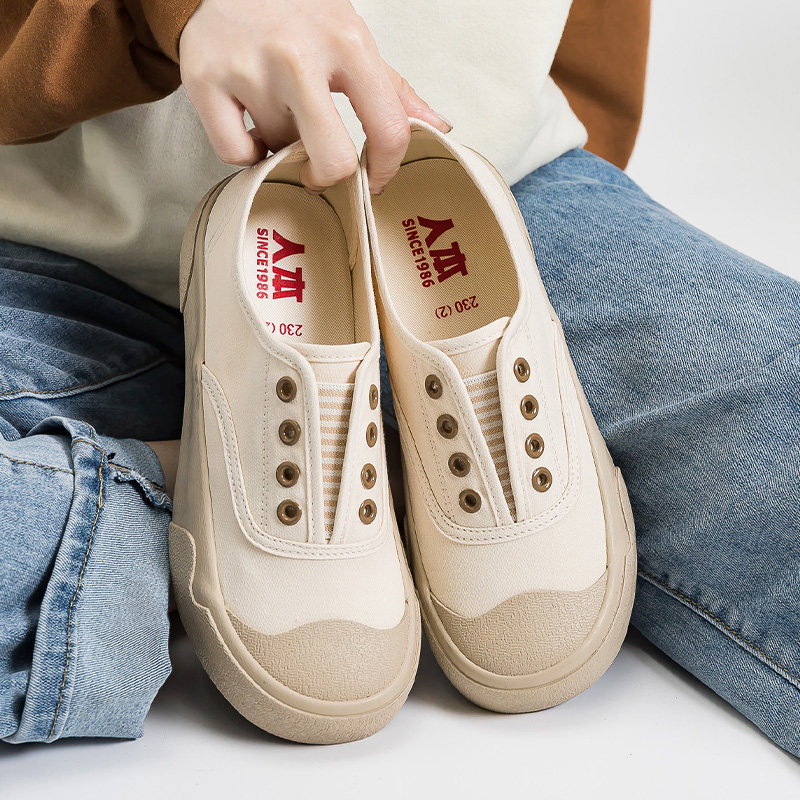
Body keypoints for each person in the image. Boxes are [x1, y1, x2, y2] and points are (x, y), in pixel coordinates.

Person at [0, 0, 797, 757]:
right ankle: (299, 469)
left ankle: (271, 485)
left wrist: (541, 100)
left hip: (484, 193)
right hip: (47, 245)